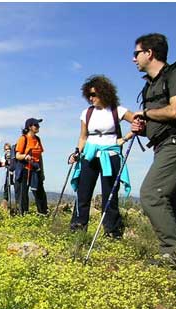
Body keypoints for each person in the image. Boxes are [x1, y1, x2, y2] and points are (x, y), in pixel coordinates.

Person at [131, 33, 176, 259]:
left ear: (149, 53)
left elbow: (175, 110)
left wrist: (146, 113)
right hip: (163, 144)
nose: (133, 59)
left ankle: (171, 252)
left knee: (151, 194)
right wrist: (143, 126)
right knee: (167, 197)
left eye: (136, 53)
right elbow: (158, 116)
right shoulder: (151, 85)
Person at [68, 75, 136, 237]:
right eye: (89, 95)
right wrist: (77, 152)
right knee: (83, 193)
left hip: (110, 155)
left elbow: (138, 123)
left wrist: (124, 139)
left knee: (109, 194)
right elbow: (83, 136)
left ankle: (111, 230)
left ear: (104, 93)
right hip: (89, 155)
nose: (91, 98)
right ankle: (78, 227)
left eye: (94, 94)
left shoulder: (117, 110)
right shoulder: (87, 113)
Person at [14, 118, 48, 216]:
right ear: (29, 127)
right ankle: (23, 213)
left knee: (39, 191)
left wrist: (42, 172)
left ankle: (43, 212)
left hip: (36, 168)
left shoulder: (37, 139)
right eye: (36, 125)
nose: (38, 127)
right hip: (25, 168)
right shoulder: (23, 139)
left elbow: (40, 156)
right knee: (23, 192)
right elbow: (17, 155)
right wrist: (25, 156)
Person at [1, 142, 16, 211]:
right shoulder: (5, 156)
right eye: (6, 149)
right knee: (6, 185)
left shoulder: (13, 155)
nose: (8, 150)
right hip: (8, 171)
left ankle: (18, 201)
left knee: (16, 185)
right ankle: (5, 200)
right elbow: (4, 163)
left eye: (9, 149)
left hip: (14, 171)